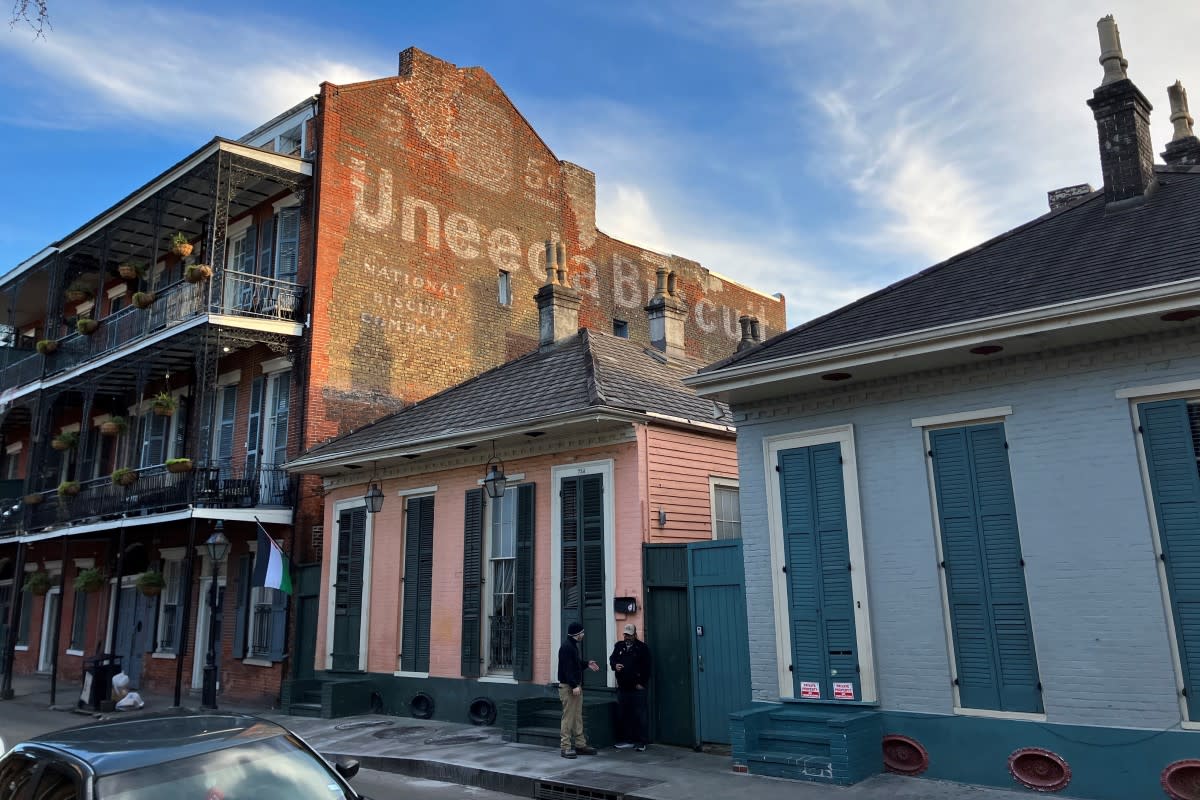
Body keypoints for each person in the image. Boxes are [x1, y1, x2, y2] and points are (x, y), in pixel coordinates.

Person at [557, 621, 600, 758]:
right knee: (568, 717)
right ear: (577, 634)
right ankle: (565, 747)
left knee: (577, 717)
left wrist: (587, 664)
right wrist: (574, 685)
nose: (583, 634)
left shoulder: (572, 646)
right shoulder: (567, 648)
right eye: (582, 632)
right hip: (569, 687)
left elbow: (574, 665)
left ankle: (580, 745)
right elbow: (567, 669)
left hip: (574, 686)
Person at [609, 622, 651, 751]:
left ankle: (642, 741)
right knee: (625, 714)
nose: (627, 637)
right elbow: (612, 659)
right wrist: (615, 665)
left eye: (629, 635)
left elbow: (647, 668)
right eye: (625, 635)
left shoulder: (642, 648)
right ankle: (628, 740)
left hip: (636, 688)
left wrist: (641, 683)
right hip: (623, 687)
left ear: (635, 635)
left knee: (639, 715)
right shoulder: (619, 646)